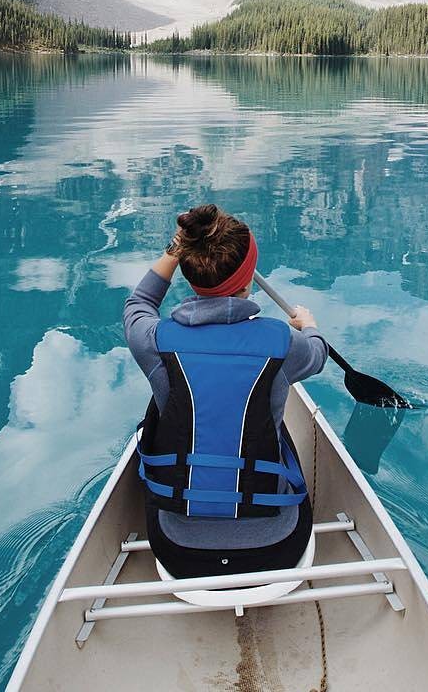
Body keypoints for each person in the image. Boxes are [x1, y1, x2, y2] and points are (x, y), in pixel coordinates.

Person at [123, 204, 328, 578]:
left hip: (176, 548)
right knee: (276, 426)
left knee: (160, 408)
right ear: (248, 280)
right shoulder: (284, 343)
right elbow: (318, 356)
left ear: (188, 272)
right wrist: (308, 326)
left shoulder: (154, 341)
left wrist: (175, 249)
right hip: (277, 546)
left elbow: (139, 302)